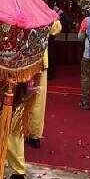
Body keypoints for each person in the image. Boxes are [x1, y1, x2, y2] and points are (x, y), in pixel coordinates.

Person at [26, 20, 62, 148]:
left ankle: (16, 136)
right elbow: (56, 28)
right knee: (37, 100)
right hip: (39, 60)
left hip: (18, 61)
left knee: (17, 100)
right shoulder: (43, 12)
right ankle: (33, 135)